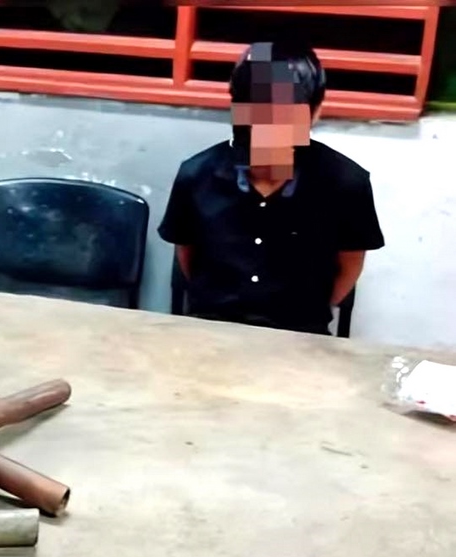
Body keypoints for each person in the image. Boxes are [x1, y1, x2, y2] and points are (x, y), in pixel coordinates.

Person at [158, 40, 385, 335]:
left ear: (315, 111)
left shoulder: (346, 183)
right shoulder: (196, 175)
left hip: (301, 337)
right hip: (211, 334)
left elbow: (350, 265)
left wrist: (301, 320)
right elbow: (188, 258)